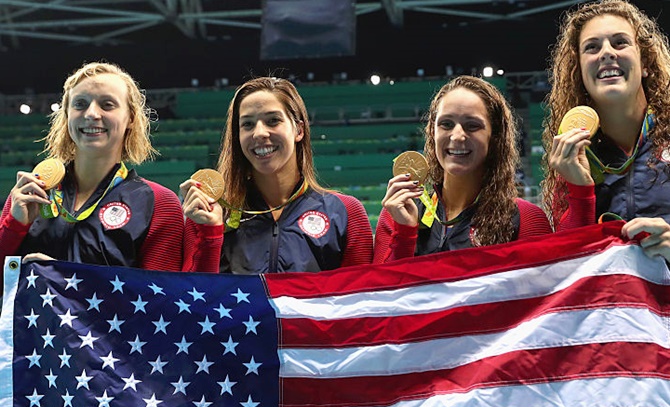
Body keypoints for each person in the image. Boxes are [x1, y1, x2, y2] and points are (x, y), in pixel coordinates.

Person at [0, 61, 184, 271]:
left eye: (107, 105)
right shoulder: (30, 193)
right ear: (67, 115)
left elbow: (159, 297)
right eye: (80, 104)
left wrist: (64, 280)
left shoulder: (160, 204)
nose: (91, 114)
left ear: (131, 117)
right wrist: (14, 226)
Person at [180, 76, 373, 274]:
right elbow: (195, 298)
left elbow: (361, 298)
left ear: (299, 130)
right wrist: (209, 233)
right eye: (247, 124)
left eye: (273, 121)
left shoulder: (345, 212)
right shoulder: (209, 213)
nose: (259, 133)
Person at [541, 0, 670, 263]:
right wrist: (580, 189)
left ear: (645, 62)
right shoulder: (573, 154)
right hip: (618, 303)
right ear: (579, 72)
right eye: (592, 47)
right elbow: (569, 264)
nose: (606, 53)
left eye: (620, 42)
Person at [374, 75, 552, 263]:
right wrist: (404, 234)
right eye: (446, 124)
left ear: (494, 137)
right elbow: (380, 291)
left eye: (472, 126)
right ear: (432, 132)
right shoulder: (398, 213)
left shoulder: (527, 219)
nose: (457, 136)